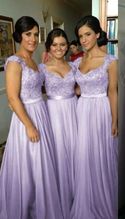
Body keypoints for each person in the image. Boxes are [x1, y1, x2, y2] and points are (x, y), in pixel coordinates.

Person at [0, 16, 63, 219]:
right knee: (28, 165)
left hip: (41, 113)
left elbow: (41, 86)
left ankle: (42, 205)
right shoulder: (14, 62)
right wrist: (29, 126)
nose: (33, 39)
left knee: (42, 164)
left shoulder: (34, 61)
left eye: (36, 34)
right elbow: (12, 97)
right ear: (19, 36)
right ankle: (27, 208)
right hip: (26, 117)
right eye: (28, 34)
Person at [70, 15, 118, 219]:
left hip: (100, 110)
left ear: (97, 34)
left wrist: (115, 120)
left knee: (100, 155)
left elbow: (113, 92)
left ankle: (101, 200)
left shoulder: (110, 60)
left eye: (87, 34)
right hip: (82, 110)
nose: (83, 40)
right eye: (80, 36)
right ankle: (86, 199)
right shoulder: (77, 61)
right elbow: (78, 89)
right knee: (83, 155)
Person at [38, 28, 78, 219]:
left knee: (76, 152)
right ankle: (60, 199)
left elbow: (80, 88)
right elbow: (29, 89)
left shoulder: (74, 66)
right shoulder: (42, 68)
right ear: (49, 47)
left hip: (73, 110)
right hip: (53, 113)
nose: (59, 48)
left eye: (62, 44)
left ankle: (78, 197)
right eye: (54, 45)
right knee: (58, 154)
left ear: (68, 46)